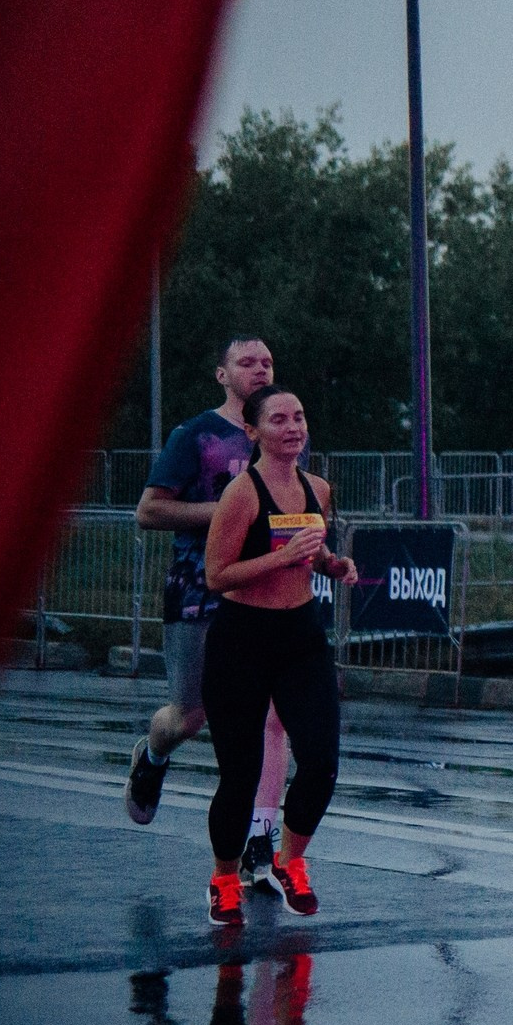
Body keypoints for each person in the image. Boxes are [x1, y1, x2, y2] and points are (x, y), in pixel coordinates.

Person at [125, 335, 294, 876]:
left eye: (267, 362)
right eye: (247, 363)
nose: (260, 370)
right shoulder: (195, 435)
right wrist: (226, 512)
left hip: (265, 592)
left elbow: (291, 508)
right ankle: (151, 756)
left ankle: (260, 838)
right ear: (223, 375)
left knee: (274, 715)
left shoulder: (286, 435)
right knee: (191, 715)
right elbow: (148, 512)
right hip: (200, 590)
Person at [197, 387, 358, 924]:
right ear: (253, 432)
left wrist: (332, 565)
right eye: (279, 419)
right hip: (242, 637)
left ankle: (291, 863)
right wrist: (281, 558)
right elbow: (216, 575)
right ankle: (224, 878)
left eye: (299, 416)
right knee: (239, 774)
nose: (293, 427)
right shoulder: (242, 494)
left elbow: (311, 553)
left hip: (300, 635)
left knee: (321, 762)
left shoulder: (318, 489)